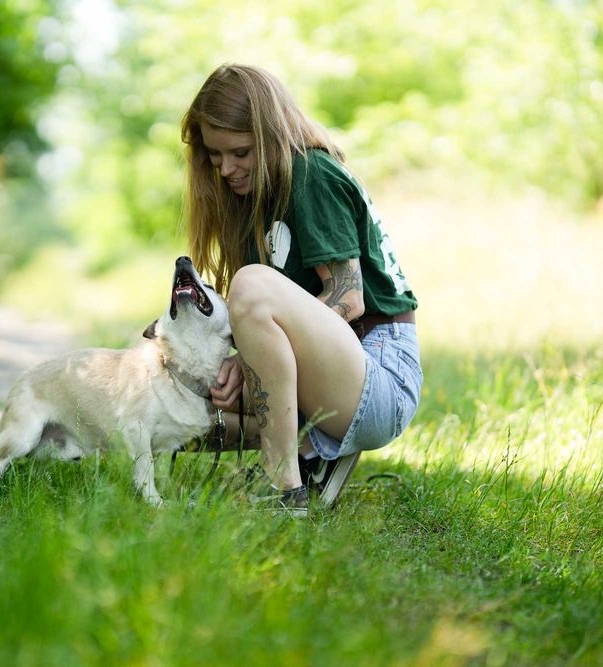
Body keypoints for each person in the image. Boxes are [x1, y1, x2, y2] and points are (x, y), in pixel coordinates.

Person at [180, 63, 422, 514]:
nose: (226, 168)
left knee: (251, 286)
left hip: (378, 373)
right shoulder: (252, 201)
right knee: (184, 381)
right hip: (335, 372)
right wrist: (233, 361)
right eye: (215, 155)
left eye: (240, 152)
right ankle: (311, 453)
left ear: (270, 135)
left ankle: (286, 489)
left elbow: (348, 299)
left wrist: (247, 356)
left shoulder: (310, 173)